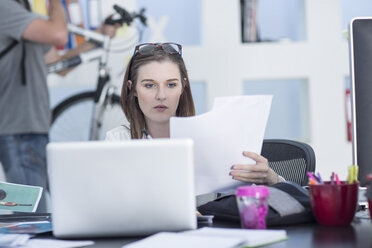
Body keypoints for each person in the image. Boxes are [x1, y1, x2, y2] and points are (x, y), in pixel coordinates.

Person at [106, 42, 284, 186]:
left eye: (171, 85)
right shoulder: (118, 141)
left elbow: (295, 195)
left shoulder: (212, 138)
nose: (161, 96)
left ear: (183, 87)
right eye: (149, 85)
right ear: (133, 89)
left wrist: (271, 178)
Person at [0, 0, 118, 212]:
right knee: (31, 220)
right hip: (18, 131)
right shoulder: (4, 7)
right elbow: (59, 35)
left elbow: (58, 64)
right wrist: (55, 3)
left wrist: (100, 36)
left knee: (36, 216)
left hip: (34, 128)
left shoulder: (22, 13)